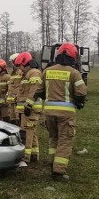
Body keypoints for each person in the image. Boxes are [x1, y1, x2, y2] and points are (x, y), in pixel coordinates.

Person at [35, 42, 87, 182]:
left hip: (49, 112)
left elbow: (39, 91)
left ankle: (52, 162)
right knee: (65, 141)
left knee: (53, 137)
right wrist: (78, 101)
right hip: (66, 114)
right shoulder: (74, 73)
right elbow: (81, 93)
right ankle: (58, 171)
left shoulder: (47, 71)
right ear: (73, 57)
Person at [14, 51, 43, 166]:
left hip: (31, 110)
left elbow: (34, 91)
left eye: (20, 65)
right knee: (32, 132)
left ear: (26, 63)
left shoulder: (34, 73)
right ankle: (34, 156)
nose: (19, 68)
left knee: (27, 133)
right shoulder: (27, 74)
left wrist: (29, 105)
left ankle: (25, 159)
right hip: (26, 109)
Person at [6, 52, 22, 125]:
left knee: (18, 118)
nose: (12, 64)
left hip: (18, 101)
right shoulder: (13, 72)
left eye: (13, 61)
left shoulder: (21, 71)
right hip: (12, 101)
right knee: (12, 119)